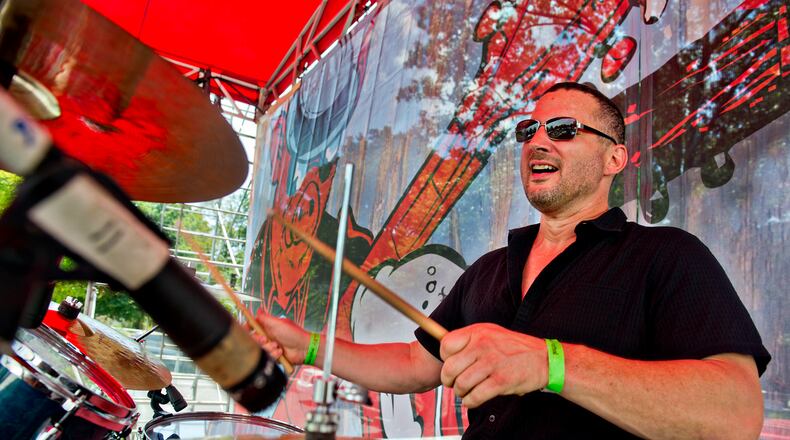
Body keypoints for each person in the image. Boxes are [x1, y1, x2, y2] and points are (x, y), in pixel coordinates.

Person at [256, 82, 770, 439]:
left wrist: (550, 363)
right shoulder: (489, 269)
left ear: (615, 159)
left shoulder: (668, 257)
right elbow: (415, 364)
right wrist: (310, 348)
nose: (538, 141)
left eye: (564, 129)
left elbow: (736, 415)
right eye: (530, 131)